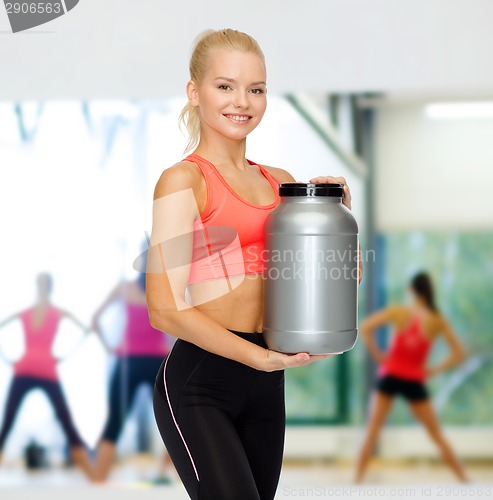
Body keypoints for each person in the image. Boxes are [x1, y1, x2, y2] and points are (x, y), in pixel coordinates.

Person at [147, 28, 362, 500]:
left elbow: (337, 283)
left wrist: (338, 217)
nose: (242, 101)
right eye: (225, 86)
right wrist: (260, 358)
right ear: (194, 92)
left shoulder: (281, 184)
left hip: (265, 384)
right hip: (201, 382)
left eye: (256, 89)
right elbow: (164, 309)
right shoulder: (182, 181)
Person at [355, 271, 469, 483]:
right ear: (429, 291)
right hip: (414, 379)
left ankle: (355, 484)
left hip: (390, 375)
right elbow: (459, 353)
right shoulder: (437, 320)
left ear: (411, 290)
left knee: (372, 431)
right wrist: (434, 370)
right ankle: (466, 483)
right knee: (437, 435)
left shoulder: (399, 312)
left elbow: (365, 327)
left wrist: (378, 354)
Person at [0, 272, 92, 477]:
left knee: (65, 419)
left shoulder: (53, 312)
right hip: (26, 369)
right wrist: (6, 358)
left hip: (43, 370)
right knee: (7, 421)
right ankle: (91, 472)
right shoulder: (30, 312)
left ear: (49, 287)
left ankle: (90, 473)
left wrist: (64, 355)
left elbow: (86, 330)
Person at [90, 272, 174, 482]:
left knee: (114, 423)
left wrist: (110, 347)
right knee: (175, 421)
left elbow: (95, 319)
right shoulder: (167, 287)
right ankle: (165, 475)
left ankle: (98, 481)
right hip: (157, 361)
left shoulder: (125, 288)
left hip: (130, 362)